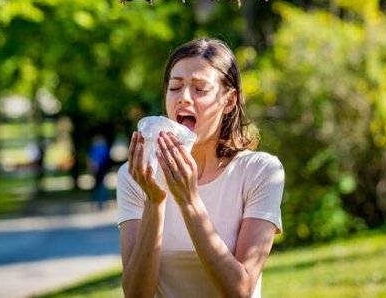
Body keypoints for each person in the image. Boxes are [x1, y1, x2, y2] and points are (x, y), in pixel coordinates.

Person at [116, 38, 285, 297]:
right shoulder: (136, 176)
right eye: (175, 87)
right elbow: (136, 294)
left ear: (229, 102)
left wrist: (189, 200)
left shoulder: (260, 172)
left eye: (199, 89)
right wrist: (154, 201)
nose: (183, 98)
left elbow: (240, 291)